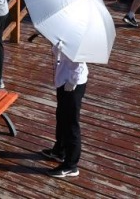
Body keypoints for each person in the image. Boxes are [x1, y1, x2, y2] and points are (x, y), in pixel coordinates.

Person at [41, 40, 88, 178]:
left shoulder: (78, 37)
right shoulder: (65, 33)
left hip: (72, 84)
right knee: (61, 116)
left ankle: (71, 165)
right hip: (63, 80)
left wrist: (73, 81)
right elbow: (59, 54)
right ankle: (59, 150)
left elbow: (79, 63)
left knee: (71, 123)